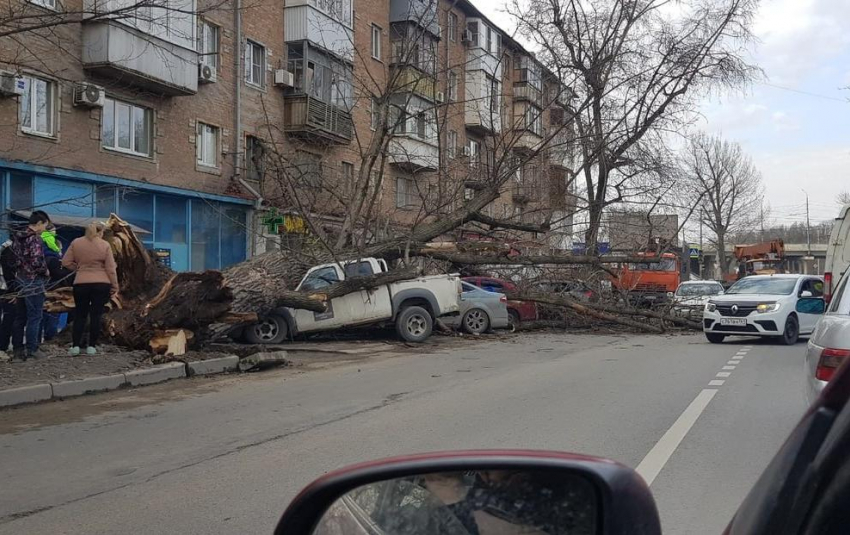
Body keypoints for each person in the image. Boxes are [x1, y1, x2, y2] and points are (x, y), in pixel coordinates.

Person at [62, 222, 119, 355]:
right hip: (101, 284)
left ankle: (75, 346)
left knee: (80, 315)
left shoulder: (76, 242)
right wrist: (114, 285)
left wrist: (79, 269)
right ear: (101, 232)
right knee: (96, 315)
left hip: (81, 283)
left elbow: (65, 262)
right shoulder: (105, 245)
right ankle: (91, 346)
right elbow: (111, 269)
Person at [10, 211, 51, 360]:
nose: (44, 229)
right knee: (35, 316)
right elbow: (36, 261)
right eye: (45, 225)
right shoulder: (34, 239)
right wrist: (45, 271)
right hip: (33, 281)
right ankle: (32, 348)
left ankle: (17, 349)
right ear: (39, 223)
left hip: (20, 279)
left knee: (20, 316)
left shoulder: (18, 237)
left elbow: (13, 260)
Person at [39, 224, 72, 342]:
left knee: (41, 314)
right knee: (52, 313)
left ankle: (40, 338)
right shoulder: (50, 251)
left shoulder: (40, 243)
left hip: (43, 286)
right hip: (53, 287)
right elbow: (57, 272)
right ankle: (50, 337)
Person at [0, 238, 17, 358]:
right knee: (8, 318)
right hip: (6, 289)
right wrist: (14, 291)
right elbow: (9, 273)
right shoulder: (11, 250)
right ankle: (2, 347)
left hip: (4, 287)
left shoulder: (4, 248)